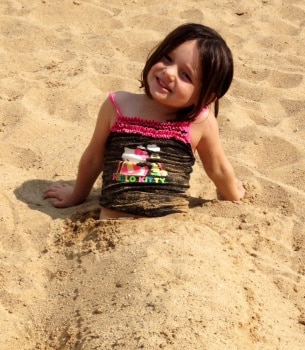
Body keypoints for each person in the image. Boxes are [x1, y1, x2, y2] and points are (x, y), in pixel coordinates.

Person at [43, 23, 245, 219]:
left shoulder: (200, 122)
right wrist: (76, 195)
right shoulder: (118, 105)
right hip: (113, 221)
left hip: (167, 227)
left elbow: (217, 167)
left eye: (186, 75)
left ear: (207, 97)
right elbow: (94, 156)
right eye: (167, 59)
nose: (168, 72)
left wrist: (233, 196)